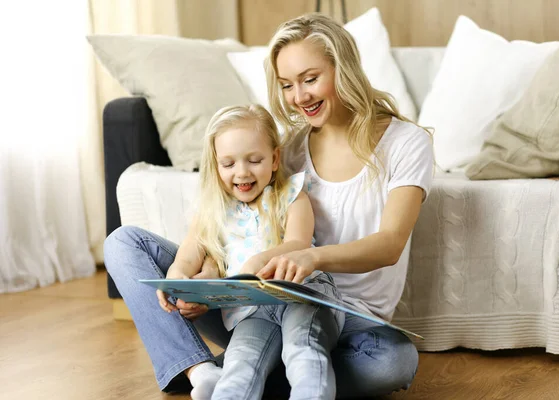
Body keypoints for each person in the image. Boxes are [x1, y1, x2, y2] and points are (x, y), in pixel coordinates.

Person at [104, 10, 433, 399]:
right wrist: (203, 277)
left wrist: (312, 258)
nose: (299, 97)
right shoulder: (288, 149)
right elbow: (232, 223)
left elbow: (390, 243)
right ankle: (198, 371)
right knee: (123, 243)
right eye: (287, 85)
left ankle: (243, 376)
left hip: (350, 320)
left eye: (310, 79)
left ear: (343, 68)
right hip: (260, 302)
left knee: (393, 362)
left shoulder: (406, 142)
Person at [163, 103, 344, 399]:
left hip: (301, 295)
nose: (242, 172)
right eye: (229, 163)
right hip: (250, 311)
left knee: (303, 351)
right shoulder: (213, 211)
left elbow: (298, 243)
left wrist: (259, 260)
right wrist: (177, 281)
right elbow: (186, 258)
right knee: (240, 365)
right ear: (216, 165)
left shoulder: (291, 195)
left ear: (274, 159)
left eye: (254, 160)